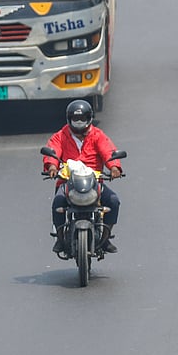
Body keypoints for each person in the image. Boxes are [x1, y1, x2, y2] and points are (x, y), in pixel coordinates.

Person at [43, 99, 123, 254]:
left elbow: (108, 151)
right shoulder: (61, 135)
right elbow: (53, 151)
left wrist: (114, 167)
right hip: (68, 182)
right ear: (69, 119)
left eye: (82, 119)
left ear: (89, 119)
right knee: (57, 202)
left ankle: (105, 238)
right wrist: (52, 167)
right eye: (75, 119)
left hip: (93, 182)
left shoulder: (97, 135)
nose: (79, 123)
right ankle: (60, 238)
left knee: (113, 201)